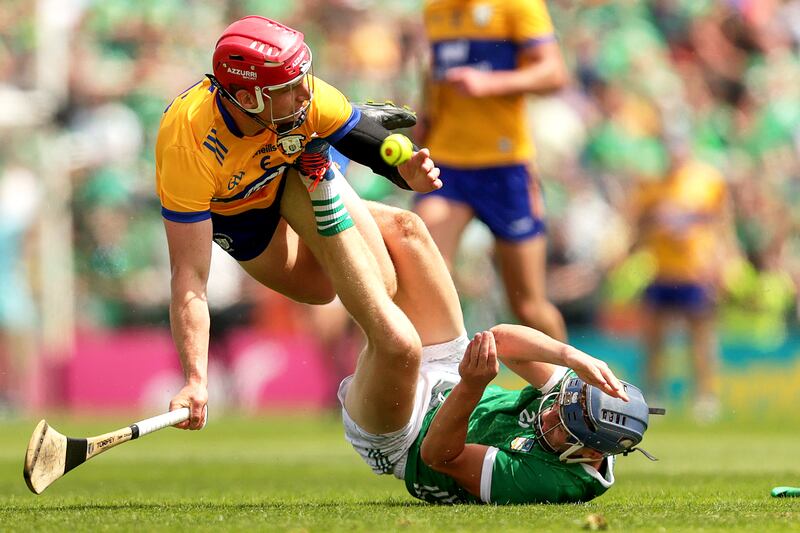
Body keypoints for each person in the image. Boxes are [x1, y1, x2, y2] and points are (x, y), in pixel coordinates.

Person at [155, 15, 441, 429]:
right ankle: (320, 150)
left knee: (383, 282)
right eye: (287, 90)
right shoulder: (188, 145)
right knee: (321, 291)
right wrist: (196, 379)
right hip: (242, 216)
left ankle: (320, 155)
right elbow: (189, 277)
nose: (304, 93)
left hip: (292, 172)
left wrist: (406, 172)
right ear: (247, 98)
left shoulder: (304, 97)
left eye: (303, 79)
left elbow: (380, 150)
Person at [339, 204, 664, 504]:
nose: (550, 414)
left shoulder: (549, 481)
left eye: (562, 426)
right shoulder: (580, 402)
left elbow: (436, 456)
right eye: (559, 406)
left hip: (404, 438)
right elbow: (501, 340)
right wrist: (570, 357)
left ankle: (319, 210)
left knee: (400, 345)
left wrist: (471, 387)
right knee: (407, 229)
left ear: (589, 453)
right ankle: (316, 182)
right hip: (452, 375)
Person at [414, 0, 569, 341]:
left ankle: (573, 385)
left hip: (504, 169)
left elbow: (554, 75)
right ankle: (438, 379)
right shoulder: (435, 10)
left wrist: (489, 83)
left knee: (528, 307)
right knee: (424, 276)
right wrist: (425, 115)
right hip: (447, 166)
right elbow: (433, 69)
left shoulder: (518, 6)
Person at [629, 139, 738, 422]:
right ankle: (653, 393)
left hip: (696, 270)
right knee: (654, 338)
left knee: (701, 338)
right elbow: (638, 224)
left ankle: (705, 396)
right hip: (661, 270)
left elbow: (723, 224)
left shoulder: (707, 181)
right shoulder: (652, 184)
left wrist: (723, 262)